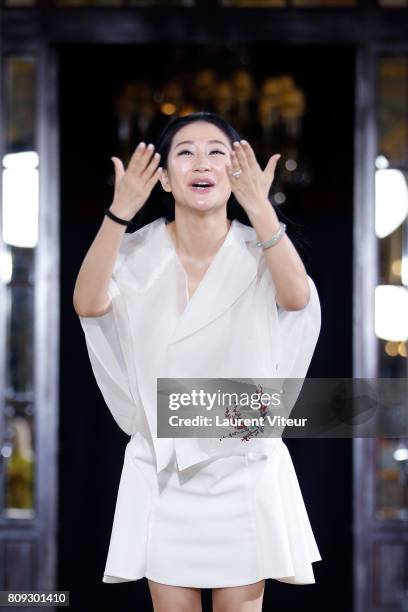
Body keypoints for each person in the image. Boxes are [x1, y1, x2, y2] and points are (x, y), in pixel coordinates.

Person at [73, 111, 322, 612]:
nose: (201, 161)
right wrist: (118, 214)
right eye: (185, 152)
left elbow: (298, 299)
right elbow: (88, 303)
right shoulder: (136, 252)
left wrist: (260, 208)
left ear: (235, 170)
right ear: (163, 177)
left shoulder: (260, 249)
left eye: (217, 151)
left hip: (243, 466)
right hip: (165, 473)